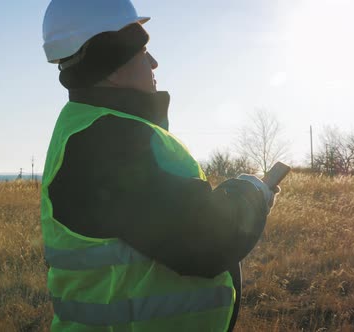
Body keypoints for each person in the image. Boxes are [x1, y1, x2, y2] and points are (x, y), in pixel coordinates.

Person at [40, 1, 279, 330]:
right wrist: (251, 193)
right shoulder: (109, 141)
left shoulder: (89, 130)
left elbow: (166, 220)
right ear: (111, 65)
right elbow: (204, 243)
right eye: (143, 52)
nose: (154, 62)